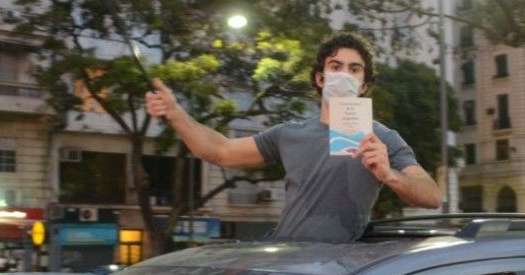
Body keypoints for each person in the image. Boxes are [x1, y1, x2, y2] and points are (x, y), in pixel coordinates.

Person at [144, 32, 442, 242]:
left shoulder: (382, 138)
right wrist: (175, 113)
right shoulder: (289, 133)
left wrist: (389, 174)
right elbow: (220, 151)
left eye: (355, 69)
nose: (344, 75)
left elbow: (432, 197)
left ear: (364, 84)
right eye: (335, 67)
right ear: (320, 78)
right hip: (287, 261)